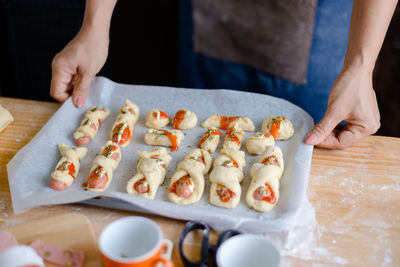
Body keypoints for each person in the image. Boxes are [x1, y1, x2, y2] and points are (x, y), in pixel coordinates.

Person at [50, 0, 397, 150]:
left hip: (318, 24)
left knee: (305, 151)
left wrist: (361, 65)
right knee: (198, 132)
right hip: (213, 15)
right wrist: (94, 26)